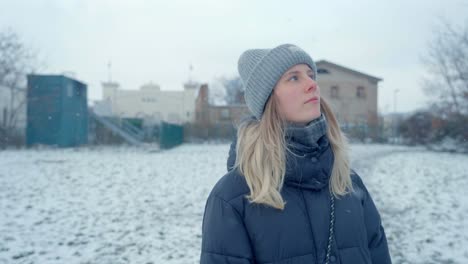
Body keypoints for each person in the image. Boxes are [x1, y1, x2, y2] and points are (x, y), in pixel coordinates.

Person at [200, 44, 391, 264]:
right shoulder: (232, 197)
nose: (312, 84)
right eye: (294, 78)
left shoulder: (348, 183)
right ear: (268, 99)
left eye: (311, 76)